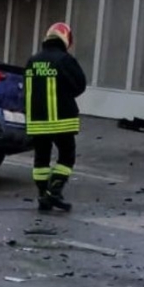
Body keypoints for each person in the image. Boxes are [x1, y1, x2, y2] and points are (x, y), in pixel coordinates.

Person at [24, 22, 87, 212]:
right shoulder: (65, 60)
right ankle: (54, 192)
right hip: (61, 120)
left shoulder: (33, 60)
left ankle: (43, 196)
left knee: (41, 160)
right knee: (67, 156)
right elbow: (80, 84)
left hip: (37, 121)